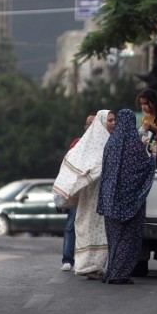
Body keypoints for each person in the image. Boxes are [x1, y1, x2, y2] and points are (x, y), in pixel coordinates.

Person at [53, 110, 115, 280]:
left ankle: (98, 267)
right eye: (109, 120)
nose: (113, 123)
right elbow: (76, 162)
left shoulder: (112, 142)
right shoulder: (85, 144)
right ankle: (84, 266)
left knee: (102, 230)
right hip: (88, 196)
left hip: (104, 196)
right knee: (84, 226)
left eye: (114, 120)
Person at [97, 109, 157, 284]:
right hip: (130, 202)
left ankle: (111, 271)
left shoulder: (111, 143)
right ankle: (119, 274)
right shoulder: (133, 144)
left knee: (114, 239)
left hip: (110, 200)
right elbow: (141, 170)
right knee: (128, 238)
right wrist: (152, 156)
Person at [61, 112, 96, 272]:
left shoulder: (104, 143)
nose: (92, 126)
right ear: (85, 126)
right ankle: (68, 259)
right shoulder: (77, 143)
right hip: (78, 190)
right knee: (71, 225)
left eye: (95, 123)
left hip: (95, 191)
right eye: (89, 123)